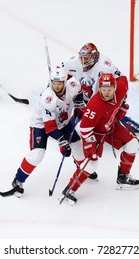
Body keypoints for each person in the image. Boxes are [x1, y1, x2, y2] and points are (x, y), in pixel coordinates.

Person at [62, 43, 139, 179]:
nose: (84, 62)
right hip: (85, 105)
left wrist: (120, 104)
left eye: (87, 59)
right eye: (82, 59)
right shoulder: (73, 62)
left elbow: (120, 83)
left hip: (103, 103)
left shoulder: (104, 65)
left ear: (94, 56)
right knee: (74, 135)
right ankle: (82, 165)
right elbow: (59, 75)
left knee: (111, 120)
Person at [60, 73, 139, 205]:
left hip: (111, 126)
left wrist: (121, 105)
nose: (106, 93)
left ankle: (123, 177)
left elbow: (123, 78)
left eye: (109, 90)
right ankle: (69, 190)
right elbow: (85, 128)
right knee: (91, 165)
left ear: (115, 87)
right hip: (95, 133)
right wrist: (90, 147)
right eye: (103, 90)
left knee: (133, 144)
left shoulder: (121, 87)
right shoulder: (95, 105)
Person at [10, 67, 85, 197]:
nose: (56, 86)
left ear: (64, 82)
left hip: (63, 123)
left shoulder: (73, 85)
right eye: (53, 83)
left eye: (59, 83)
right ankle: (18, 180)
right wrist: (62, 142)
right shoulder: (48, 99)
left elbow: (79, 92)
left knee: (78, 147)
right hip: (41, 125)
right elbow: (50, 128)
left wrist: (78, 103)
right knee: (37, 154)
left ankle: (83, 171)